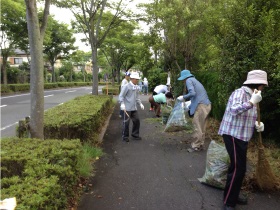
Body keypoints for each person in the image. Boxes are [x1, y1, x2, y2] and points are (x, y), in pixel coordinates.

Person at [218, 70, 267, 210]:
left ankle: (233, 194)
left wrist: (258, 125)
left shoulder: (255, 96)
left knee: (237, 167)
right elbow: (234, 110)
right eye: (263, 85)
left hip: (242, 135)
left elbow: (249, 116)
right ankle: (228, 202)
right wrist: (251, 102)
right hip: (233, 134)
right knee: (238, 168)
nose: (264, 88)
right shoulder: (240, 93)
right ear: (257, 84)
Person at [177, 69, 211, 152]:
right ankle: (200, 145)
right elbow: (196, 95)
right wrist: (190, 105)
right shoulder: (195, 81)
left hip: (201, 106)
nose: (183, 81)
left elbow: (192, 93)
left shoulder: (189, 80)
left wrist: (183, 97)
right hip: (207, 105)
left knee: (196, 125)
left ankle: (195, 145)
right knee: (202, 127)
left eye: (183, 80)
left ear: (185, 78)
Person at [119, 72, 145, 142]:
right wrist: (122, 104)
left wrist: (140, 104)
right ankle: (125, 137)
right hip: (127, 108)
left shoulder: (136, 87)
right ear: (132, 79)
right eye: (136, 79)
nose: (137, 80)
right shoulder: (126, 86)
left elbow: (137, 97)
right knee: (126, 123)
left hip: (134, 108)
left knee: (137, 121)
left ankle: (135, 135)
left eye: (138, 79)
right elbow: (121, 96)